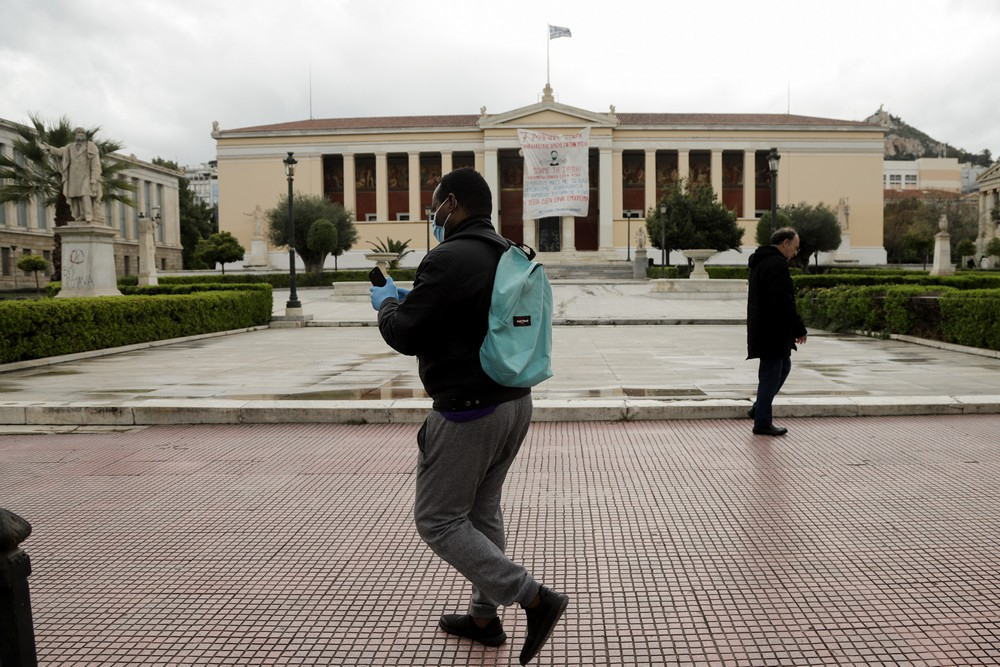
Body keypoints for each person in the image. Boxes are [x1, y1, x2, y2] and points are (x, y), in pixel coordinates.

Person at [370, 167, 568, 665]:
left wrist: (386, 303)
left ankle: (533, 597)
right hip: (515, 401)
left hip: (467, 410)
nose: (431, 214)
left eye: (434, 204)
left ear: (451, 203)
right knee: (482, 512)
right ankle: (483, 618)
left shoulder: (447, 258)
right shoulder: (510, 252)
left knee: (437, 520)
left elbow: (406, 334)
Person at [747, 227, 808, 436]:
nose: (795, 253)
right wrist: (799, 328)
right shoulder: (776, 265)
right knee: (771, 375)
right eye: (795, 248)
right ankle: (762, 422)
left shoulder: (760, 261)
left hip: (764, 327)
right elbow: (784, 301)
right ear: (785, 243)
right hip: (773, 330)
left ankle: (758, 409)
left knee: (782, 368)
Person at [41, 127, 103, 223]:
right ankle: (80, 215)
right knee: (76, 196)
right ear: (75, 135)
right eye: (79, 132)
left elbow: (96, 164)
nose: (81, 134)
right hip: (74, 176)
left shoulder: (91, 146)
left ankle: (88, 215)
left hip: (86, 175)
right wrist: (49, 148)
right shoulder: (70, 147)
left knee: (85, 193)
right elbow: (60, 151)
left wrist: (94, 178)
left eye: (83, 132)